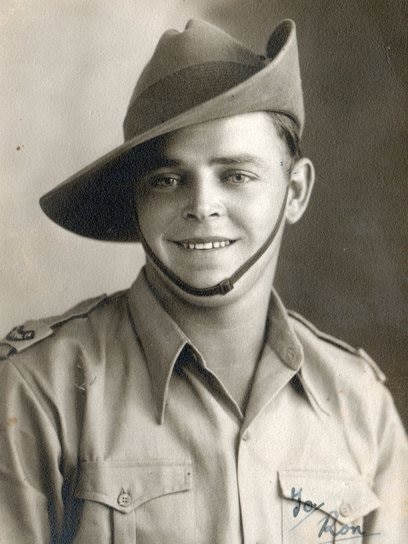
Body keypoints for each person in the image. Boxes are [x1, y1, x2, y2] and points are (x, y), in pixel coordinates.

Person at [0, 18, 406, 544]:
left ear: (296, 191)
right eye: (167, 180)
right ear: (135, 201)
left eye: (236, 175)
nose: (201, 207)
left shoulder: (359, 404)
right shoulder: (40, 390)